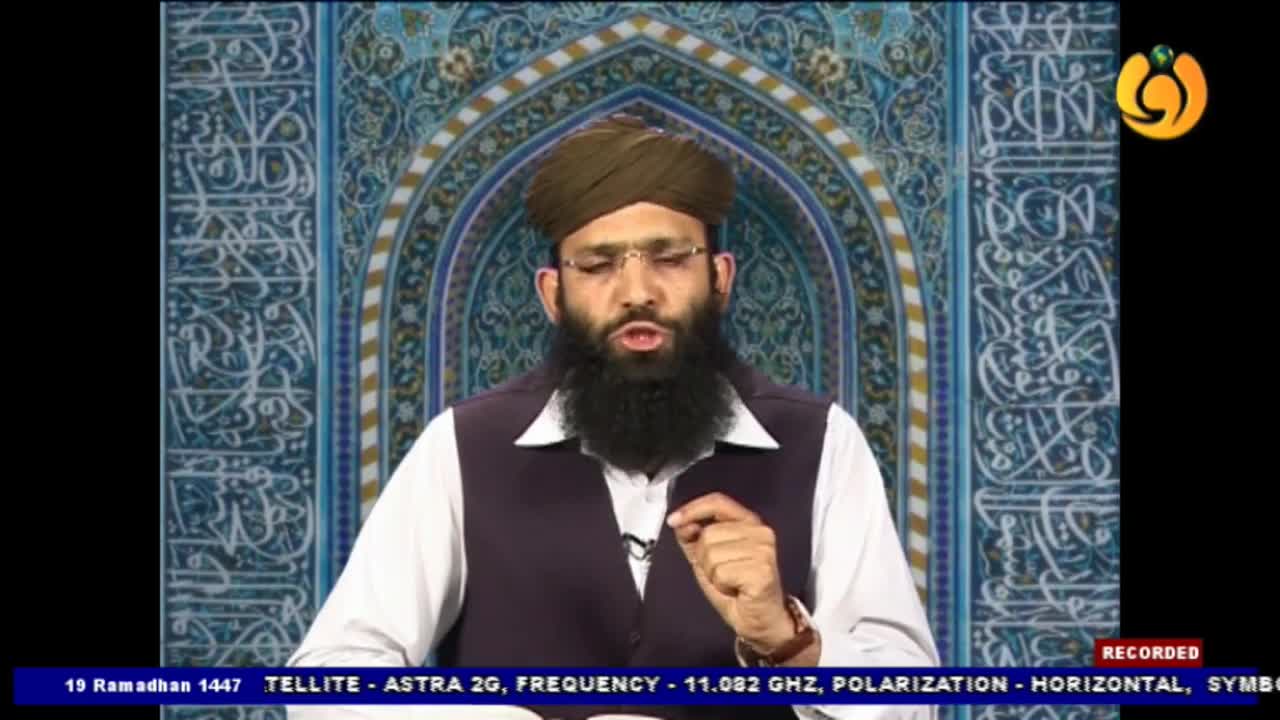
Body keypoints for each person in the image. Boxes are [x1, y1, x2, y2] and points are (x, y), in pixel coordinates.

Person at [287, 113, 939, 720]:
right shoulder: (463, 446)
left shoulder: (820, 441)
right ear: (553, 295)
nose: (636, 293)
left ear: (719, 279)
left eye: (669, 259)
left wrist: (791, 643)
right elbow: (329, 680)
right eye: (598, 266)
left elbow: (914, 699)